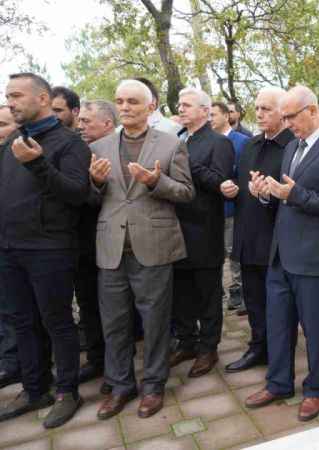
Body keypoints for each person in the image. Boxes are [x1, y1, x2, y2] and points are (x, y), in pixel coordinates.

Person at [244, 85, 319, 422]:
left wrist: (295, 195)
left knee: (316, 330)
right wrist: (265, 193)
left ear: (312, 110)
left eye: (292, 115)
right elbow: (284, 195)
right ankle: (278, 383)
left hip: (315, 258)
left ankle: (315, 389)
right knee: (277, 325)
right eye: (285, 116)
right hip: (281, 255)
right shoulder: (292, 145)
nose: (286, 121)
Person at [90, 79, 194, 420]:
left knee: (155, 322)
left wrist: (155, 182)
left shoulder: (170, 143)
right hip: (112, 248)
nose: (124, 107)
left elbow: (185, 192)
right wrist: (94, 182)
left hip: (154, 247)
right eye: (120, 101)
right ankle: (121, 386)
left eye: (133, 101)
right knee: (115, 323)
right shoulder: (100, 146)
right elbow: (90, 199)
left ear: (150, 106)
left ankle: (153, 386)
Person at [0, 73, 91, 428]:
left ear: (42, 98)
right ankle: (34, 387)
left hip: (50, 248)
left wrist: (38, 164)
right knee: (22, 322)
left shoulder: (69, 143)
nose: (10, 102)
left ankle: (67, 391)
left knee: (57, 323)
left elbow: (77, 193)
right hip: (9, 249)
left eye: (17, 95)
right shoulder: (11, 143)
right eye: (8, 96)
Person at [222, 88, 295, 373]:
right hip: (248, 234)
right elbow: (241, 181)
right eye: (257, 108)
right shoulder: (251, 145)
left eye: (267, 108)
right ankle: (258, 346)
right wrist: (230, 188)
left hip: (278, 239)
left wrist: (269, 194)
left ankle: (280, 352)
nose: (260, 114)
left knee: (279, 304)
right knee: (253, 299)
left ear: (283, 112)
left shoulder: (292, 146)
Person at [170, 88, 234, 377]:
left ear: (205, 111)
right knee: (181, 291)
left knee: (207, 293)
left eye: (186, 106)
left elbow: (219, 182)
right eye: (179, 106)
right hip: (174, 228)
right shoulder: (178, 139)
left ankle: (208, 347)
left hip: (204, 229)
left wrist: (186, 163)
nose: (180, 110)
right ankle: (187, 342)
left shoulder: (218, 143)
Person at [74, 100, 119, 389]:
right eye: (80, 121)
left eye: (87, 121)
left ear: (107, 124)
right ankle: (99, 360)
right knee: (90, 305)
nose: (81, 126)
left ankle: (118, 368)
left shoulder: (121, 150)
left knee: (117, 313)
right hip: (85, 242)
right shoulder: (81, 152)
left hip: (118, 243)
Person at [210, 101, 249, 312]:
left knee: (234, 252)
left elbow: (245, 174)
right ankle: (220, 293)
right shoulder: (206, 141)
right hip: (211, 210)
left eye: (214, 114)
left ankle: (239, 291)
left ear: (226, 116)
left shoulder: (242, 142)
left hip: (233, 208)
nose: (210, 119)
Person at [0, 105, 21, 390]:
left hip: (18, 246)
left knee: (13, 310)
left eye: (2, 124)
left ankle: (14, 363)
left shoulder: (21, 160)